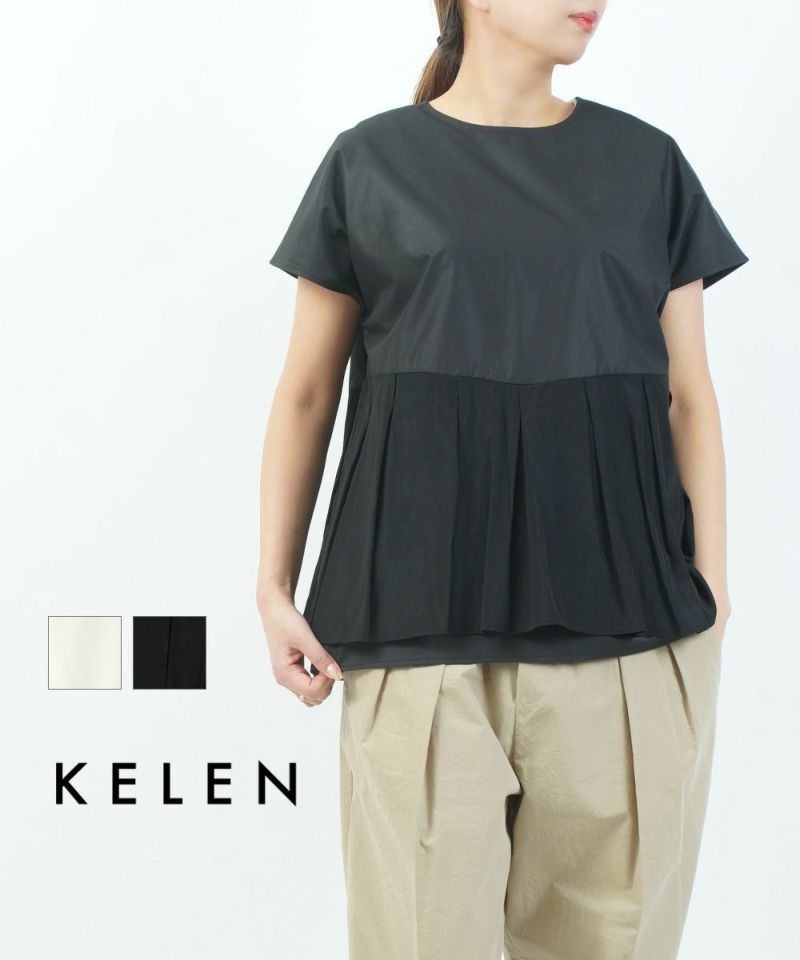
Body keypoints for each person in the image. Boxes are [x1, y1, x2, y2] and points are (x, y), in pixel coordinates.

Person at [256, 2, 749, 957]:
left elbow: (690, 395)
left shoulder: (646, 165)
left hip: (630, 634)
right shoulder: (370, 163)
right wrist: (274, 589)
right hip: (414, 629)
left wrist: (712, 590)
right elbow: (307, 392)